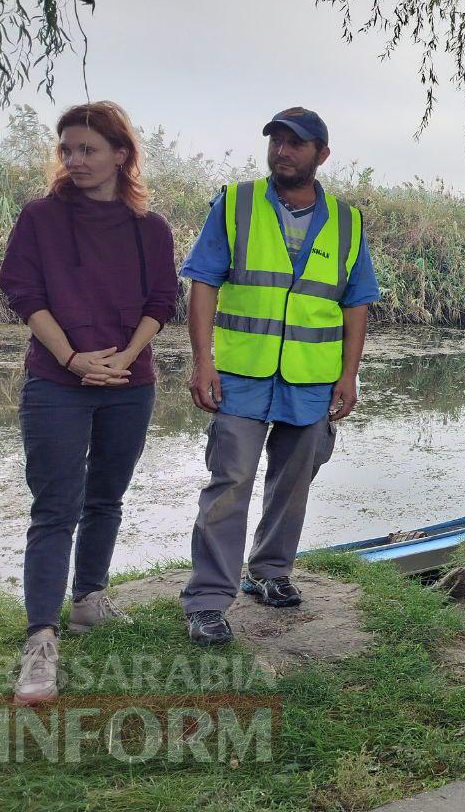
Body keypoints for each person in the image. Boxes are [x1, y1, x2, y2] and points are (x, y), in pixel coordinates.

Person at [0, 102, 178, 704]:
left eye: (88, 149)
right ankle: (41, 640)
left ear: (121, 155)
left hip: (130, 383)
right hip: (56, 382)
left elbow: (161, 301)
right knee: (55, 507)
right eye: (67, 149)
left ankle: (90, 602)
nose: (74, 160)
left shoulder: (149, 227)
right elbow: (22, 292)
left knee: (107, 496)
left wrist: (124, 360)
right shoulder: (39, 219)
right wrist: (75, 359)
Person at [179, 107, 380, 645]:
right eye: (276, 141)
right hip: (242, 374)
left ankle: (269, 574)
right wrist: (203, 360)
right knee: (230, 482)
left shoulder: (347, 220)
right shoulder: (236, 204)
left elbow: (356, 303)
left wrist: (349, 375)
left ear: (322, 154)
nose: (282, 151)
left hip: (312, 380)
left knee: (293, 483)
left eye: (296, 143)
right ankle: (207, 600)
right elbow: (203, 281)